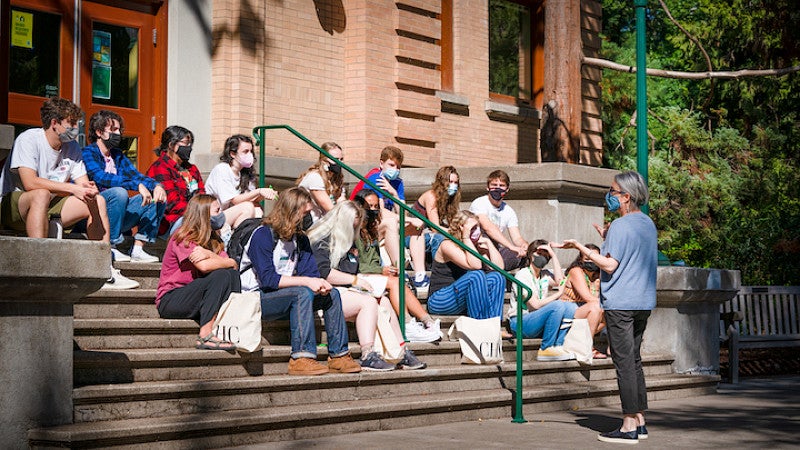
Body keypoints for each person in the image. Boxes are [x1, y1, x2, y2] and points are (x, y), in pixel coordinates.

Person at [555, 171, 657, 444]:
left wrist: (581, 248)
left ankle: (627, 427)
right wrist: (607, 238)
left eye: (613, 192)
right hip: (643, 301)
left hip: (621, 303)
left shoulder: (621, 226)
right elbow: (631, 254)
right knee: (634, 360)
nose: (609, 196)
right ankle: (640, 420)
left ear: (626, 196)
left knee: (623, 362)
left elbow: (610, 265)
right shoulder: (647, 223)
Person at [0, 97, 137, 289]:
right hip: (14, 205)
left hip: (50, 206)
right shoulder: (29, 139)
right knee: (41, 194)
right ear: (55, 124)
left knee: (96, 201)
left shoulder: (72, 147)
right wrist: (74, 188)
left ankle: (104, 269)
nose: (75, 128)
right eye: (71, 123)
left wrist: (88, 189)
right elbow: (29, 182)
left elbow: (81, 184)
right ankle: (40, 267)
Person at [242, 187, 362, 375]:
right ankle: (301, 358)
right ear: (291, 210)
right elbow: (268, 280)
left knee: (332, 294)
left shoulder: (300, 239)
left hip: (285, 297)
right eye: (305, 213)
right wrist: (307, 282)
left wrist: (320, 284)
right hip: (256, 299)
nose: (307, 217)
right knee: (302, 292)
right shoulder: (263, 235)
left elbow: (311, 273)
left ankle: (339, 355)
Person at [307, 201, 427, 370]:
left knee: (383, 301)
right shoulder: (322, 240)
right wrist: (355, 281)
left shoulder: (350, 243)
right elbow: (325, 272)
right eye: (352, 226)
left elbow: (352, 270)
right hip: (323, 292)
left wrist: (361, 282)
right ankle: (367, 353)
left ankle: (401, 350)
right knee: (369, 302)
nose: (354, 231)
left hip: (346, 289)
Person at [353, 189, 442, 342]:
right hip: (358, 276)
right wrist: (381, 270)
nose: (373, 210)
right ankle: (407, 324)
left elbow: (395, 220)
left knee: (398, 280)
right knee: (395, 283)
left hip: (373, 273)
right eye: (370, 207)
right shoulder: (353, 232)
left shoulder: (370, 230)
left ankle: (428, 322)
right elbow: (357, 265)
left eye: (376, 207)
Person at [155, 194, 240, 350]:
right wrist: (226, 262)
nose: (221, 214)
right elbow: (204, 267)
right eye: (217, 210)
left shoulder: (214, 240)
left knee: (230, 274)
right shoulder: (183, 236)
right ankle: (205, 335)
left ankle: (227, 327)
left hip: (197, 296)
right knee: (221, 274)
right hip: (172, 298)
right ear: (204, 213)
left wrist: (211, 254)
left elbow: (231, 266)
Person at [82, 110, 165, 263]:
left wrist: (157, 186)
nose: (118, 134)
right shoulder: (88, 152)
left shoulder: (117, 155)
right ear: (99, 132)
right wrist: (136, 185)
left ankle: (138, 248)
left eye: (119, 130)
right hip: (96, 215)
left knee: (157, 197)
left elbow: (137, 176)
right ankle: (111, 246)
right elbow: (99, 177)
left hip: (118, 215)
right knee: (119, 193)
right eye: (113, 130)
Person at [349, 145, 427, 289]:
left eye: (398, 166)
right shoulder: (375, 179)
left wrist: (394, 193)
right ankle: (401, 272)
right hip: (366, 229)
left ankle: (420, 275)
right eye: (391, 165)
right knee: (392, 223)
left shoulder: (397, 183)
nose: (395, 169)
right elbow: (380, 213)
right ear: (381, 164)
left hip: (383, 225)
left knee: (417, 227)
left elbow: (402, 212)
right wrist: (409, 219)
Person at [426, 210, 505, 319]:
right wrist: (466, 237)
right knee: (476, 275)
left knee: (497, 277)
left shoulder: (474, 245)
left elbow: (499, 268)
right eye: (472, 228)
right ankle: (480, 326)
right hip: (440, 299)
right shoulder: (447, 244)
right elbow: (475, 266)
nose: (477, 231)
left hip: (461, 296)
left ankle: (494, 325)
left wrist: (488, 243)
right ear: (461, 229)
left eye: (477, 227)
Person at [509, 240, 576, 361]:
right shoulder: (522, 275)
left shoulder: (544, 275)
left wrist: (553, 255)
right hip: (520, 322)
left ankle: (558, 345)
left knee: (571, 307)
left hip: (537, 320)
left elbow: (560, 280)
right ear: (530, 254)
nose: (542, 258)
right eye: (539, 253)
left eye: (545, 256)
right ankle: (546, 348)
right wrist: (559, 294)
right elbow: (535, 305)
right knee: (558, 305)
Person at [206, 134, 276, 243]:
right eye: (245, 151)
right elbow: (235, 200)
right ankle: (236, 244)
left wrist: (263, 195)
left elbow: (251, 199)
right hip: (212, 218)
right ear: (232, 153)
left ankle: (247, 242)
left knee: (257, 209)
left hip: (229, 216)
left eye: (251, 151)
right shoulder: (222, 170)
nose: (250, 155)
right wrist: (259, 191)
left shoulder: (245, 174)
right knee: (247, 207)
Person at [406, 165, 461, 283]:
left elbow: (453, 223)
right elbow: (435, 227)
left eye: (456, 183)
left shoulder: (450, 199)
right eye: (450, 182)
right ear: (442, 182)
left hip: (425, 236)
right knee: (439, 238)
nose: (453, 185)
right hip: (411, 236)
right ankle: (440, 273)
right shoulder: (431, 196)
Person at [145, 126, 203, 236]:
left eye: (190, 144)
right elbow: (172, 204)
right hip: (170, 223)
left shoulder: (192, 169)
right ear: (171, 145)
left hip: (196, 215)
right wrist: (199, 213)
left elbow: (202, 194)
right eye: (185, 143)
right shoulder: (160, 168)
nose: (189, 148)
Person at [469, 169, 529, 271]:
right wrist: (511, 246)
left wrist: (524, 246)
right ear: (487, 187)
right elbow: (488, 228)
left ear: (507, 189)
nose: (497, 188)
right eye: (494, 185)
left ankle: (521, 283)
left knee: (525, 256)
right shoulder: (479, 203)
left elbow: (517, 238)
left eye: (501, 185)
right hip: (478, 248)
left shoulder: (509, 211)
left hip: (496, 250)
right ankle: (491, 270)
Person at [560, 243, 606, 357]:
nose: (591, 261)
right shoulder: (576, 271)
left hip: (586, 312)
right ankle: (587, 348)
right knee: (597, 307)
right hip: (568, 311)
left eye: (593, 258)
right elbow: (588, 298)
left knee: (611, 313)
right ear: (581, 259)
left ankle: (612, 348)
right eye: (587, 259)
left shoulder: (598, 275)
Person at [296, 142, 346, 223]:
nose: (340, 163)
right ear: (324, 160)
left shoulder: (337, 179)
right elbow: (329, 208)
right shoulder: (315, 177)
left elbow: (342, 203)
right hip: (309, 224)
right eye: (335, 159)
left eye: (341, 159)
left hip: (325, 223)